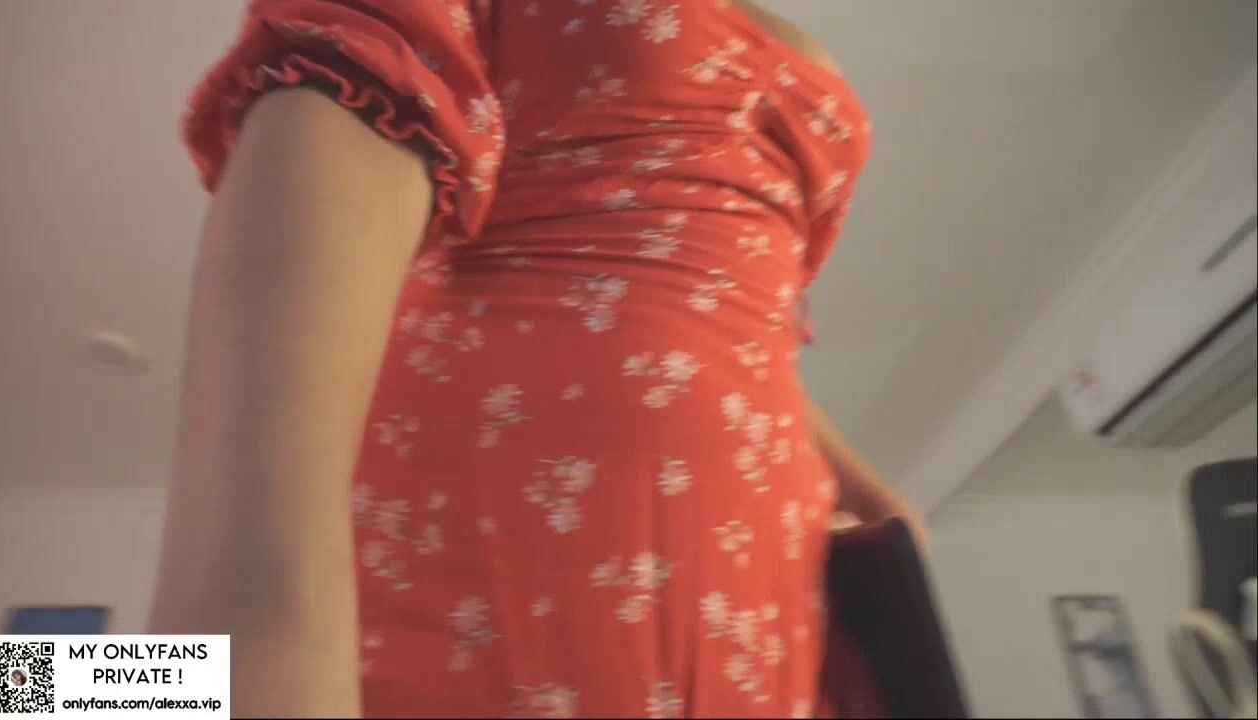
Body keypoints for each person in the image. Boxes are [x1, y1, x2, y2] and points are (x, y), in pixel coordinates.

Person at [148, 1, 924, 716]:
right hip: (488, 540)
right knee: (107, 685)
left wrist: (860, 485)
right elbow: (345, 93)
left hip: (769, 593)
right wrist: (248, 626)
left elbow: (729, 330)